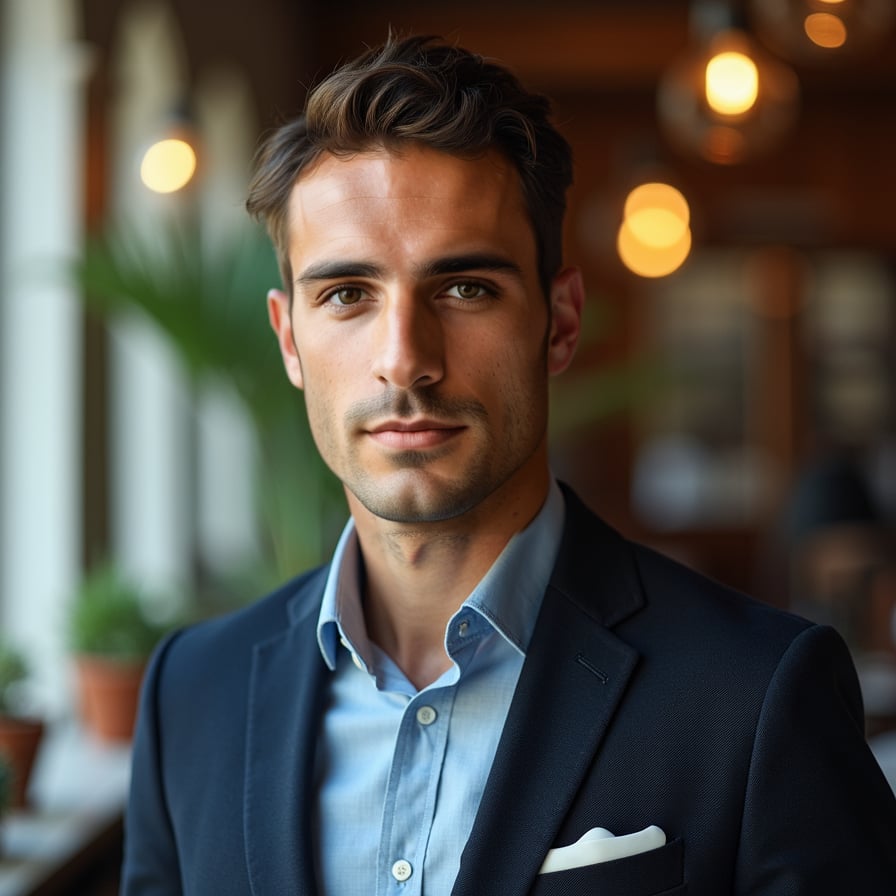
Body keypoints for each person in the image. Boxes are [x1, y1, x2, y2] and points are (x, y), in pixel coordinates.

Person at [121, 34, 896, 895]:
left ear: (559, 324)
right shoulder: (189, 694)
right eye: (347, 295)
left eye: (465, 289)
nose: (404, 360)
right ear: (289, 339)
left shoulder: (757, 693)